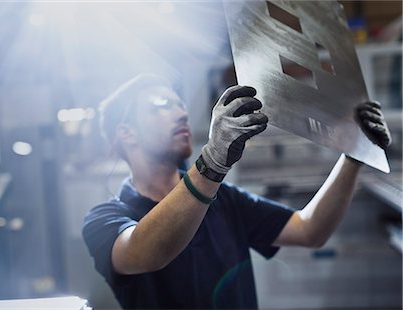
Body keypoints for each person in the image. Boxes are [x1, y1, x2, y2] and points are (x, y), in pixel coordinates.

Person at [82, 73, 391, 309]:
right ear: (127, 134)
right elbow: (144, 252)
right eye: (161, 107)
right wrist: (212, 162)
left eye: (180, 103)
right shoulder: (104, 220)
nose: (182, 113)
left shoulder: (224, 199)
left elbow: (309, 230)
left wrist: (353, 154)